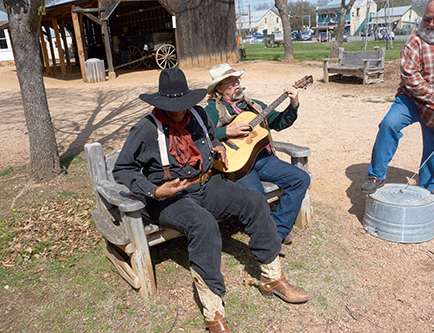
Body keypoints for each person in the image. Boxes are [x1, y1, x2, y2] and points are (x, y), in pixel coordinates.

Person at [113, 68, 309, 332]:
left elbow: (211, 136)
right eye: (174, 107)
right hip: (168, 197)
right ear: (161, 104)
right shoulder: (146, 129)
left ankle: (272, 278)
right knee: (204, 225)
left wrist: (215, 147)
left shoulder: (198, 114)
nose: (181, 111)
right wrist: (156, 191)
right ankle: (214, 310)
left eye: (184, 105)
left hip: (206, 183)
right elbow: (123, 169)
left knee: (254, 200)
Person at [361, 0, 434, 211]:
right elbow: (410, 77)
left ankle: (428, 190)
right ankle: (376, 176)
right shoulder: (415, 40)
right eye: (426, 19)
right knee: (389, 124)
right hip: (413, 99)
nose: (430, 24)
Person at [205, 63, 311, 245]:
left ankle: (277, 231)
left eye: (237, 79)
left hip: (263, 159)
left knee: (301, 178)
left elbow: (279, 122)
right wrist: (226, 132)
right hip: (238, 165)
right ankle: (273, 234)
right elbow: (201, 136)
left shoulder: (254, 106)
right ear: (219, 88)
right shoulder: (212, 110)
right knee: (257, 197)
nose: (236, 84)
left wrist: (293, 104)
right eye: (230, 82)